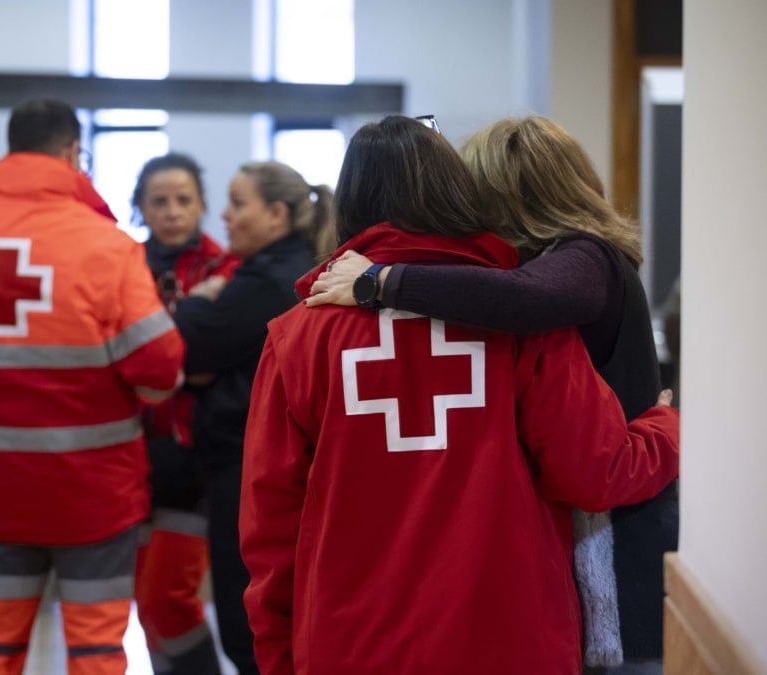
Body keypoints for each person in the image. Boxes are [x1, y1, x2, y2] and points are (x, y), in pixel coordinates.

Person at [240, 115, 681, 674]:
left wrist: (279, 659)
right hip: (514, 643)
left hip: (349, 644)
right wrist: (669, 424)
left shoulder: (295, 339)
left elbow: (270, 530)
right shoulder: (529, 327)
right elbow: (593, 472)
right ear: (457, 194)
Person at [0, 99, 185, 675]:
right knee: (95, 649)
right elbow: (161, 363)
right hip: (94, 492)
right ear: (73, 153)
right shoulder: (106, 245)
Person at [171, 160, 334, 675]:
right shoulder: (279, 268)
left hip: (248, 465)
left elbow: (189, 346)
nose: (225, 214)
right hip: (249, 461)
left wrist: (196, 302)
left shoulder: (270, 279)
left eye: (238, 203)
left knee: (250, 621)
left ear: (277, 213)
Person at [130, 152, 238, 675]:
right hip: (126, 457)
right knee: (148, 607)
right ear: (141, 209)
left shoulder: (227, 266)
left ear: (201, 205)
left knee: (166, 600)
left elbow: (194, 362)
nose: (172, 212)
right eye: (159, 201)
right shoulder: (118, 266)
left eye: (183, 200)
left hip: (192, 459)